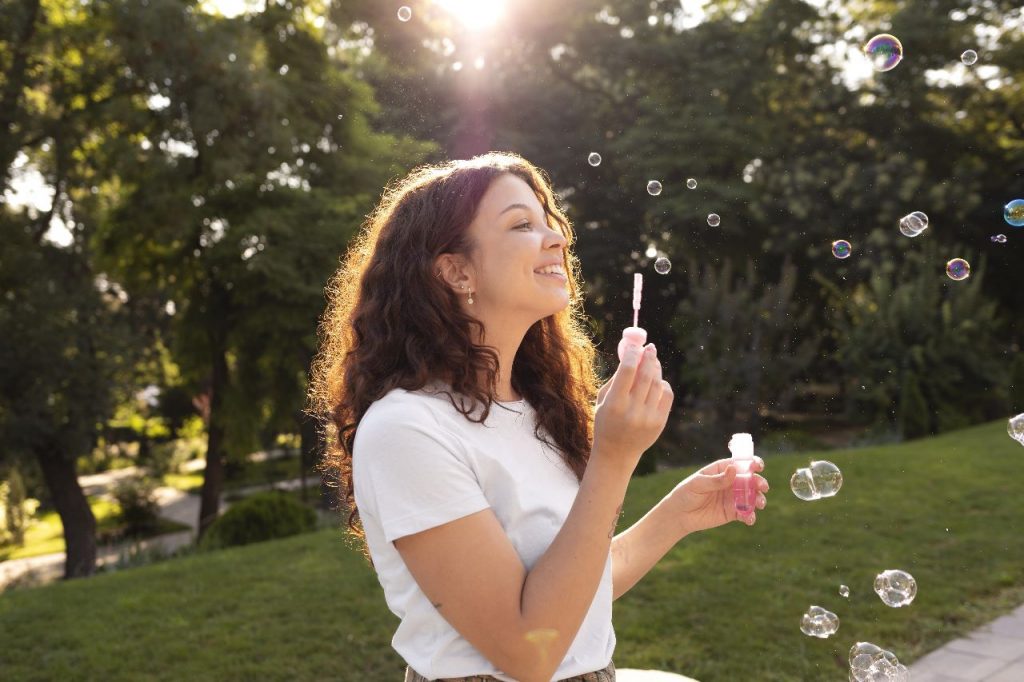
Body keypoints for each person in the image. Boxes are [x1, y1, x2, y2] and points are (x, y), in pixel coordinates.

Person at [307, 152, 769, 682]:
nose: (557, 239)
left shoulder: (533, 409)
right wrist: (614, 457)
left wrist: (676, 518)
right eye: (522, 225)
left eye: (549, 222)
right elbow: (529, 651)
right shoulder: (407, 430)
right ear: (456, 270)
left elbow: (568, 593)